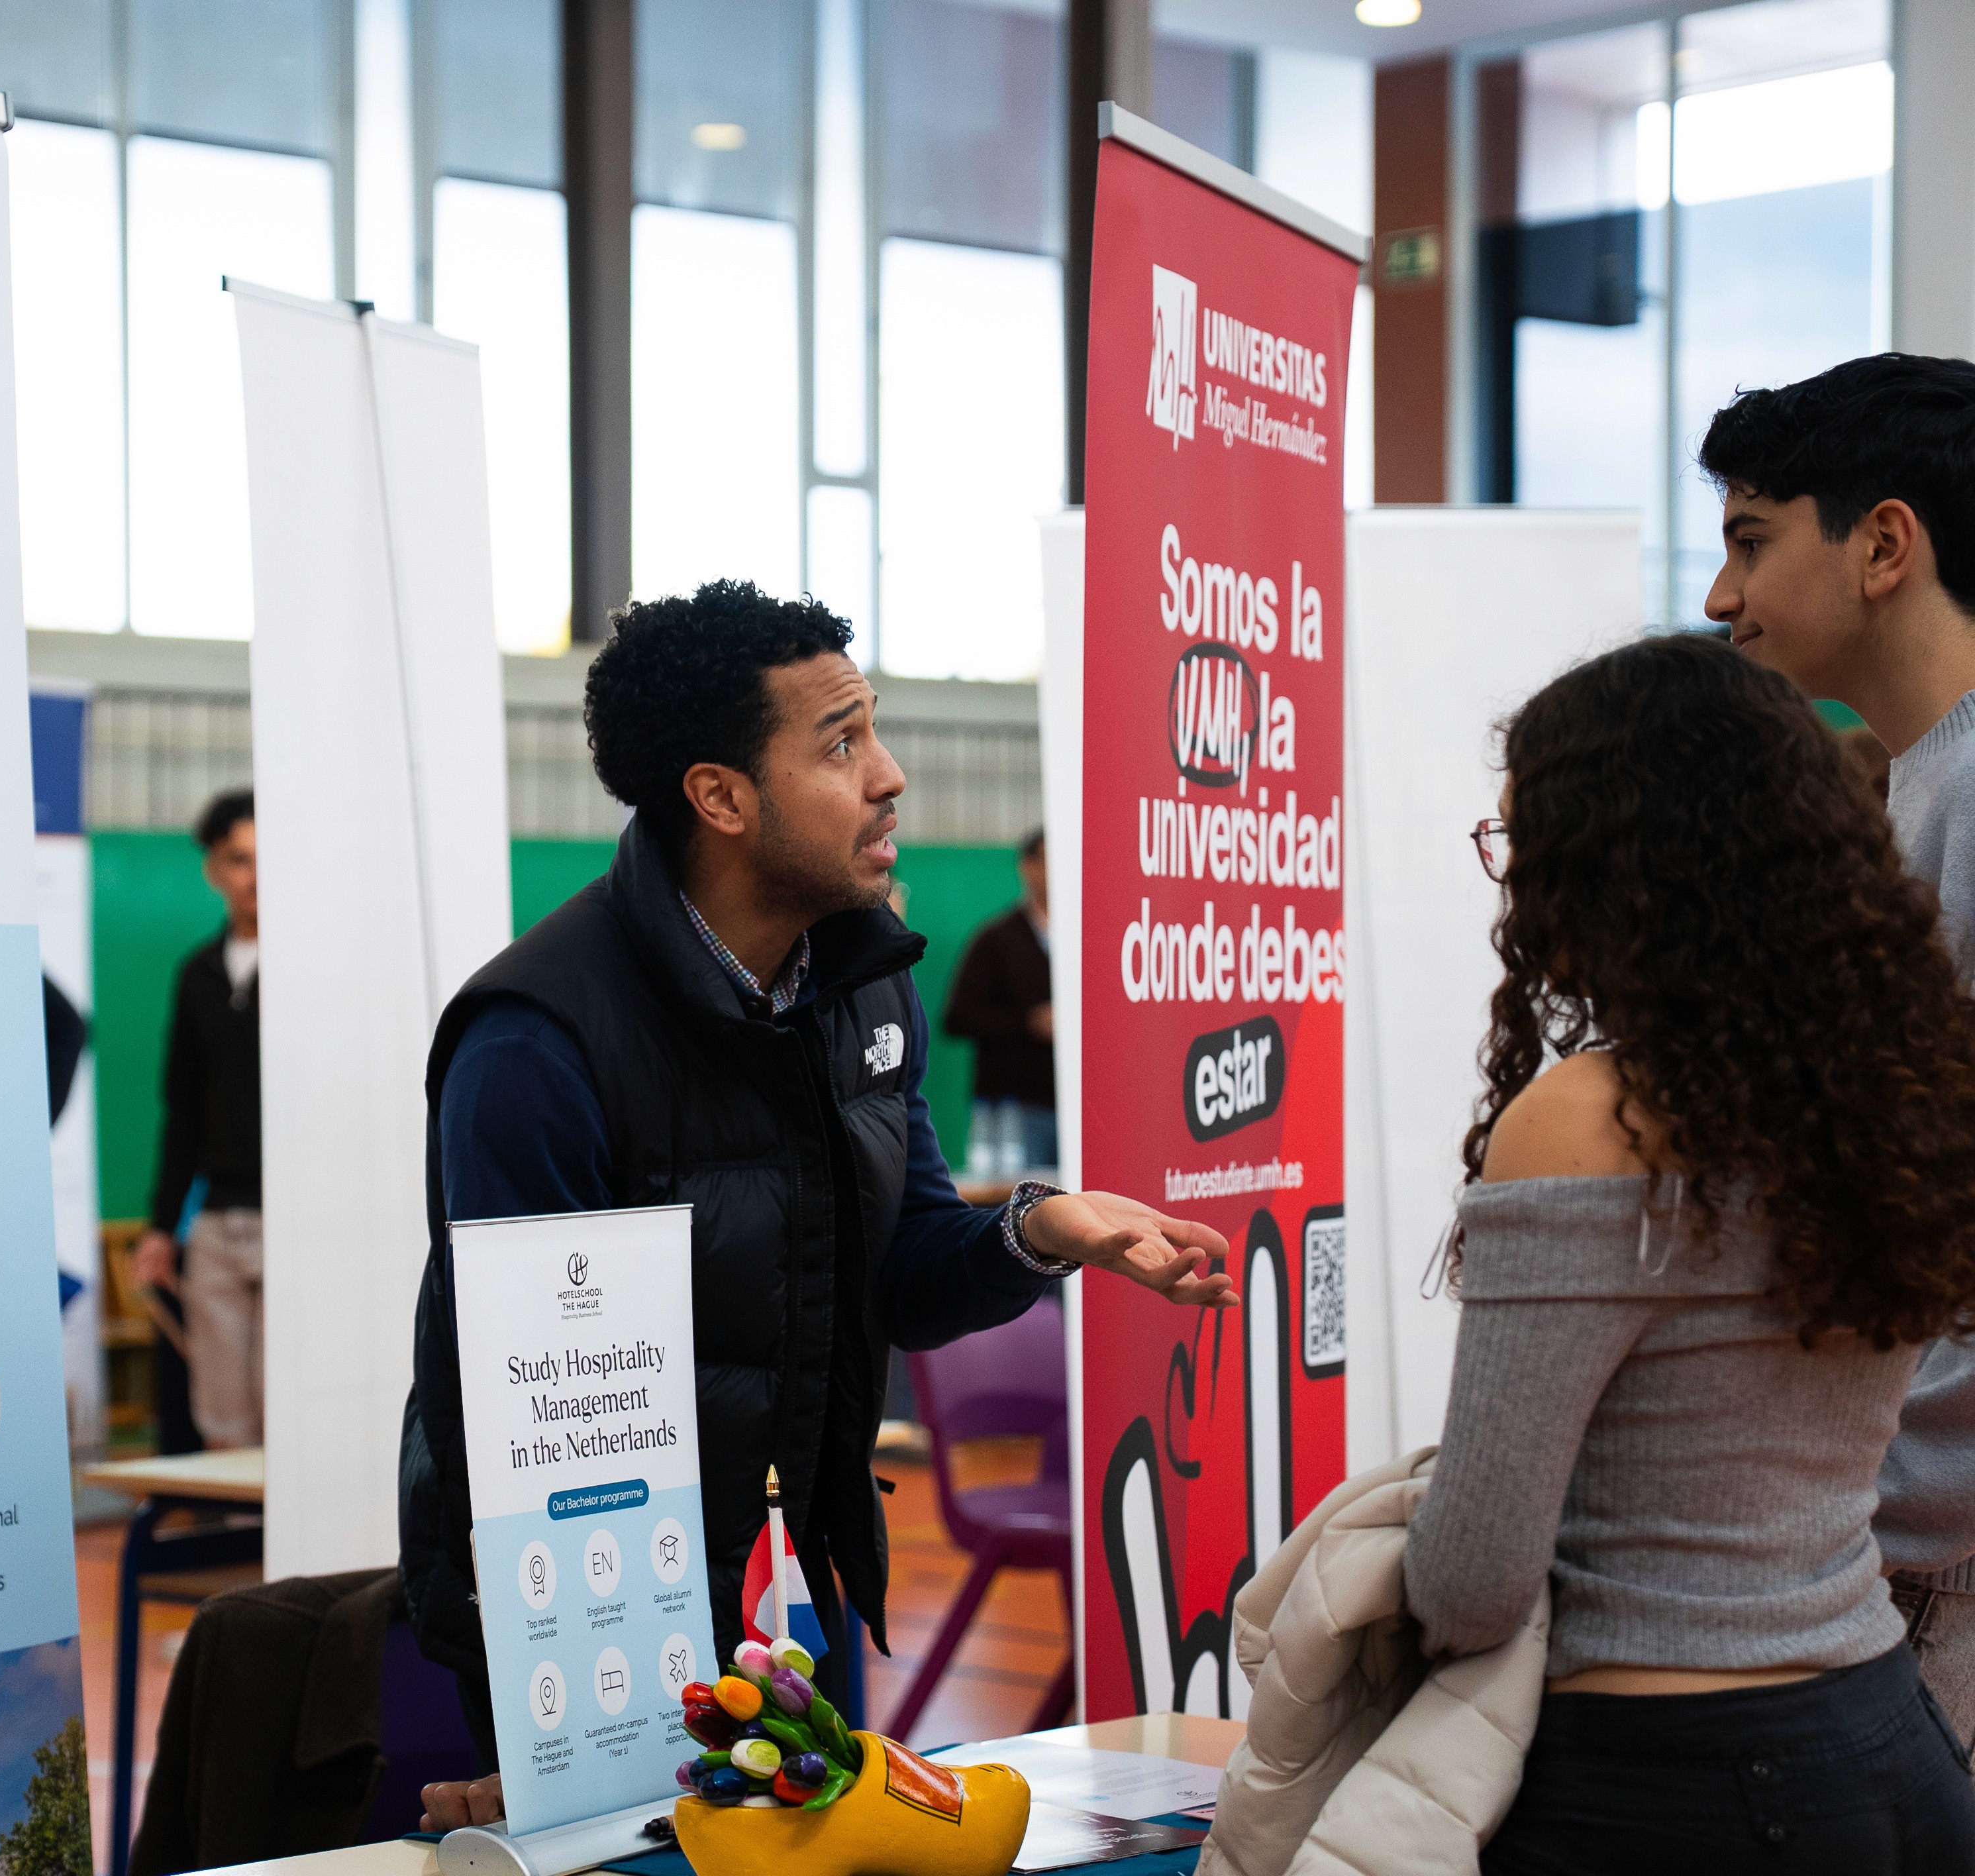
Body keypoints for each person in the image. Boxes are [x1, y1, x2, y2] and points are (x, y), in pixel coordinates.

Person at [402, 582, 1235, 1830]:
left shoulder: (861, 989)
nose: (890, 775)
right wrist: (587, 1727)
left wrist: (1038, 1231)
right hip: (593, 1633)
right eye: (842, 743)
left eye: (873, 731)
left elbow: (899, 1267)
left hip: (796, 1592)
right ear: (721, 797)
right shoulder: (538, 1043)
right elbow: (536, 1429)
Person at [1403, 636, 1975, 1871]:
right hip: (1890, 1737)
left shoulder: (1586, 1119)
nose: (1515, 883)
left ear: (1623, 859)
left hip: (1666, 1782)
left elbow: (1472, 1582)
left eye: (1526, 841)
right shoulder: (1890, 1099)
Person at [1698, 354, 1975, 1751]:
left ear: (1882, 546)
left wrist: (1860, 1489)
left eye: (1751, 541)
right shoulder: (1925, 779)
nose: (1719, 596)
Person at [132, 789, 265, 1451]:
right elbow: (181, 1110)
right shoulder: (197, 976)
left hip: (295, 1225)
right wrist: (162, 1227)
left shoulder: (315, 971)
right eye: (240, 860)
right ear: (214, 869)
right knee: (223, 1420)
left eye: (267, 858)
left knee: (287, 1412)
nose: (256, 876)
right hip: (215, 1226)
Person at [941, 827, 1058, 1175]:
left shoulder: (1090, 937)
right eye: (1051, 859)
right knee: (1018, 1199)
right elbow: (957, 1018)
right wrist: (1029, 1023)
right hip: (1014, 1110)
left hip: (1081, 1105)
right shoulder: (996, 940)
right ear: (1029, 867)